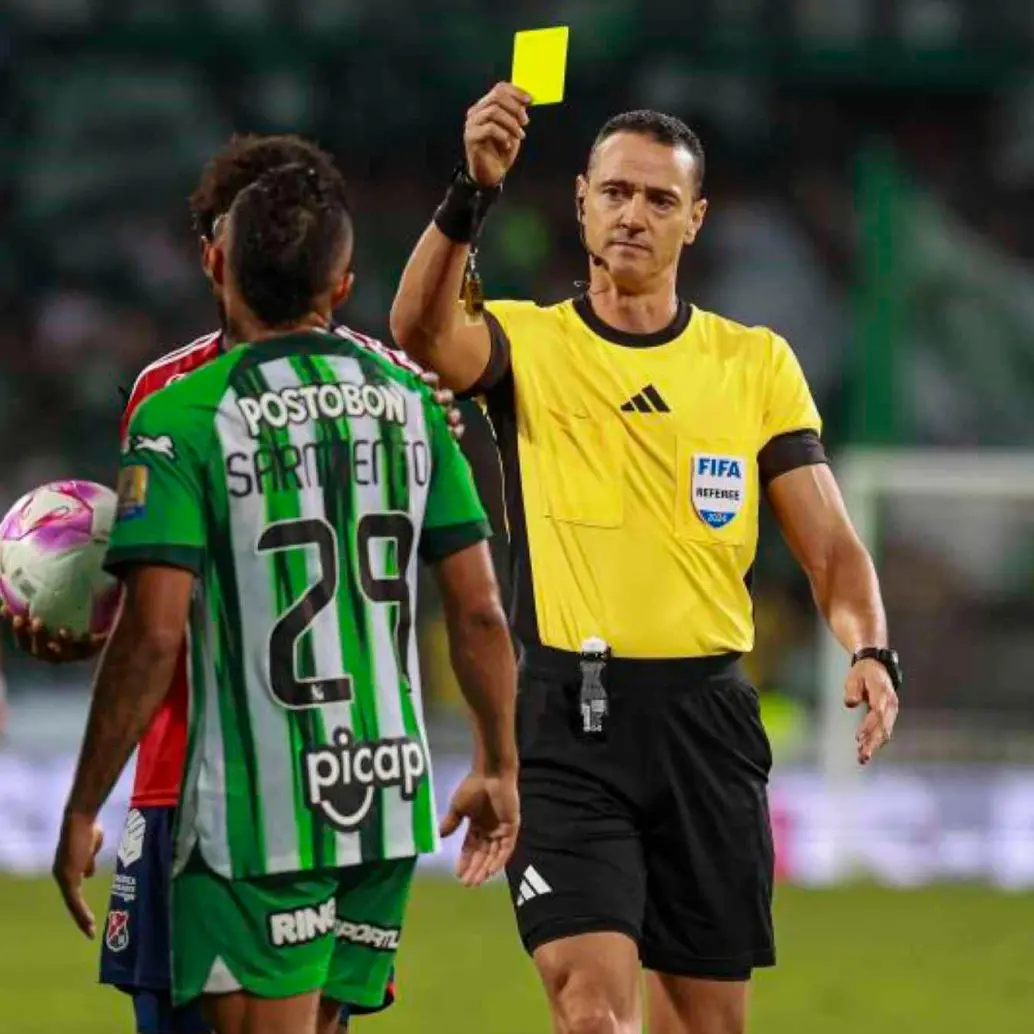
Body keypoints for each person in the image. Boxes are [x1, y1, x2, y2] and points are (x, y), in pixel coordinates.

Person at [390, 84, 901, 1034]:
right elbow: (417, 332)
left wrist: (870, 647)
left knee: (705, 1026)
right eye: (616, 192)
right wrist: (471, 190)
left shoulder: (752, 364)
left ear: (695, 220)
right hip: (565, 724)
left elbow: (829, 546)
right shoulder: (527, 342)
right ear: (581, 200)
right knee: (592, 1013)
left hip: (706, 725)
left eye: (660, 199)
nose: (634, 213)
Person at [0, 134, 466, 1034]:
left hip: (238, 789)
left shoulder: (201, 398)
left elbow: (161, 623)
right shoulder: (382, 389)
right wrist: (84, 622)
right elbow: (157, 592)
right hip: (305, 775)